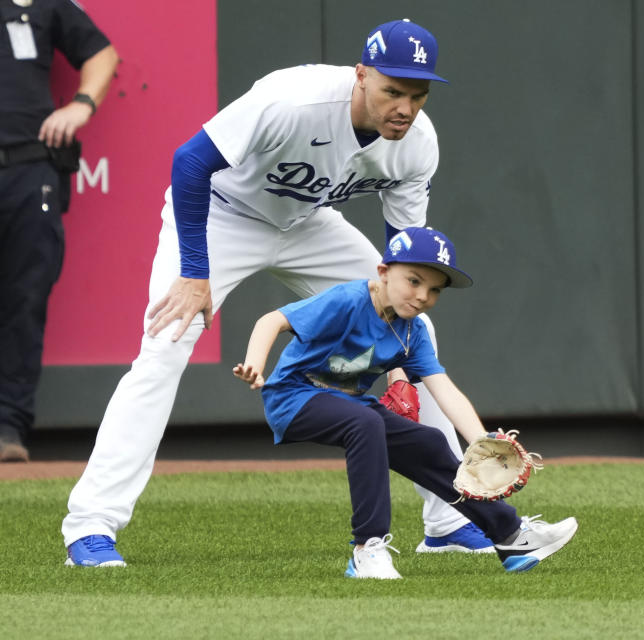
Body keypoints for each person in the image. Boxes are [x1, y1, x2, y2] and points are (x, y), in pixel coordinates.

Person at [62, 18, 492, 567]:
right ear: (361, 76)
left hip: (307, 223)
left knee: (419, 331)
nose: (404, 107)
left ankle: (449, 520)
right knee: (166, 342)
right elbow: (190, 162)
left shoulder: (416, 143)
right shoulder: (294, 99)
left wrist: (400, 362)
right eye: (392, 90)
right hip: (221, 217)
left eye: (417, 94)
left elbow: (405, 263)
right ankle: (91, 526)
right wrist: (195, 273)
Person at [232, 227, 578, 578]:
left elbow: (444, 390)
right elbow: (272, 320)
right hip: (292, 397)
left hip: (349, 404)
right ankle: (367, 548)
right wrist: (255, 364)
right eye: (413, 280)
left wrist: (482, 441)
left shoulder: (414, 332)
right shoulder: (350, 300)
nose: (422, 295)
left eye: (434, 290)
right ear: (383, 272)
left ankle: (510, 535)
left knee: (427, 441)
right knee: (365, 423)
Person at [0, 0, 119, 462]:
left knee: (23, 301)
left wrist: (82, 104)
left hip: (30, 172)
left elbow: (102, 54)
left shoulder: (43, 5)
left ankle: (8, 427)